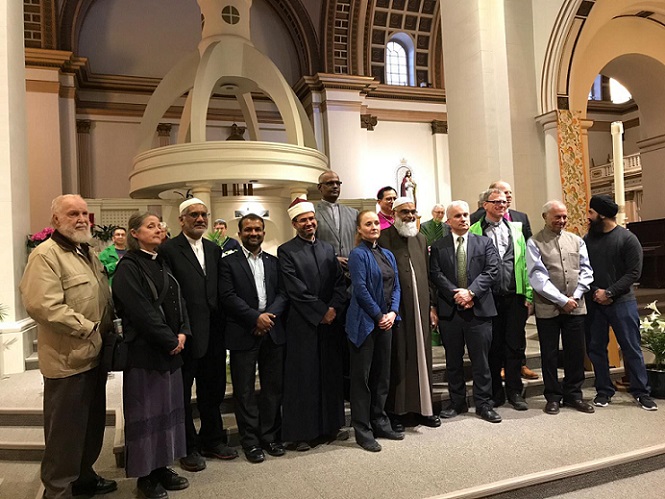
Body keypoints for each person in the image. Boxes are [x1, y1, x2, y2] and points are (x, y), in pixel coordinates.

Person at [20, 194, 116, 499]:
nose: (81, 219)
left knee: (91, 426)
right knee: (65, 434)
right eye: (72, 213)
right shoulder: (46, 255)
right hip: (67, 361)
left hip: (94, 356)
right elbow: (43, 305)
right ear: (55, 221)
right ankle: (58, 491)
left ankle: (84, 478)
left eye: (85, 213)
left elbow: (102, 297)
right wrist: (88, 329)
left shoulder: (87, 252)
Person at [113, 212, 191, 499]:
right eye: (150, 226)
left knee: (166, 412)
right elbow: (140, 309)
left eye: (159, 225)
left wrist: (183, 331)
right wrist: (169, 339)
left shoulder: (163, 262)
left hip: (171, 350)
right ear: (135, 233)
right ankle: (145, 476)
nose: (158, 229)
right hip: (145, 353)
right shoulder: (127, 267)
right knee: (145, 412)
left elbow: (178, 300)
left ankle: (161, 467)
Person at [160, 198, 238, 472]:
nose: (200, 219)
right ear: (181, 220)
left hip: (214, 333)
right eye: (193, 215)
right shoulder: (169, 249)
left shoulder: (213, 249)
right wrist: (177, 329)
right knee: (182, 395)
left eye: (204, 214)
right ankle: (187, 447)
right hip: (186, 334)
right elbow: (167, 294)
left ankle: (212, 440)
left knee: (213, 390)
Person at [278, 198, 347, 450]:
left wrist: (333, 309)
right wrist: (320, 311)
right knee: (304, 378)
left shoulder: (328, 249)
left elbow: (340, 283)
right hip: (303, 324)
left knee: (329, 374)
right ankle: (302, 433)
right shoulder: (286, 251)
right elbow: (295, 289)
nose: (309, 223)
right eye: (303, 220)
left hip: (329, 323)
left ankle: (330, 427)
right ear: (295, 223)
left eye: (311, 218)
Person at [219, 214, 289, 463]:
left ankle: (269, 436)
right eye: (248, 229)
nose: (253, 233)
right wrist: (254, 319)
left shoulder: (274, 261)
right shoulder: (228, 262)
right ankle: (250, 441)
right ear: (239, 233)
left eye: (258, 229)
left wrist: (267, 317)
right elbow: (227, 296)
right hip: (243, 331)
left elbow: (283, 293)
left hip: (272, 330)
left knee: (272, 388)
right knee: (245, 390)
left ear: (263, 232)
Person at [584, 194, 657, 411]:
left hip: (622, 301)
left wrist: (610, 292)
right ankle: (604, 390)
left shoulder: (627, 239)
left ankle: (641, 392)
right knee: (596, 348)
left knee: (631, 347)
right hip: (594, 300)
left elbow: (633, 273)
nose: (588, 216)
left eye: (591, 212)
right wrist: (595, 291)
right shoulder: (588, 240)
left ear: (602, 214)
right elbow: (583, 270)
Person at [430, 200, 501, 423]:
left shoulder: (484, 243)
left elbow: (492, 270)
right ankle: (457, 402)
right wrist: (456, 294)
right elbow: (436, 274)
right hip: (451, 312)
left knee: (481, 361)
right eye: (458, 216)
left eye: (466, 214)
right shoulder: (439, 246)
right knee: (453, 361)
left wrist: (470, 293)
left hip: (478, 310)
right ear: (448, 221)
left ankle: (484, 404)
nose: (464, 219)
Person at [526, 200, 595, 415]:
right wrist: (560, 299)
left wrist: (574, 296)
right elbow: (537, 275)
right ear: (545, 217)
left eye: (564, 217)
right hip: (548, 306)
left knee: (575, 352)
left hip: (575, 304)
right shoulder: (534, 242)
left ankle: (574, 395)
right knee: (549, 353)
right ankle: (553, 396)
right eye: (557, 217)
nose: (562, 221)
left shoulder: (576, 240)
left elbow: (586, 270)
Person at [377, 197, 440, 430]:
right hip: (397, 309)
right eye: (404, 212)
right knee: (399, 358)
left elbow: (429, 278)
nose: (410, 215)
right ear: (393, 214)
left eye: (413, 211)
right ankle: (397, 412)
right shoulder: (382, 239)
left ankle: (425, 409)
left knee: (423, 358)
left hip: (421, 308)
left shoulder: (421, 239)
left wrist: (432, 307)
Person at [470, 189, 533, 411]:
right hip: (488, 298)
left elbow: (525, 263)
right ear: (484, 205)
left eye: (504, 202)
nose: (501, 205)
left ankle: (515, 391)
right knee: (493, 347)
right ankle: (495, 392)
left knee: (514, 346)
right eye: (496, 201)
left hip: (514, 296)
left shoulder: (516, 230)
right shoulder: (474, 230)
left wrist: (528, 294)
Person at [346, 211, 402, 452]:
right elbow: (360, 289)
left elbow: (397, 285)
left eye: (376, 223)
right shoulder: (358, 254)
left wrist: (392, 313)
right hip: (364, 323)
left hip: (386, 321)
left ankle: (380, 420)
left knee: (383, 375)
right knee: (362, 379)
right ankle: (362, 428)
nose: (374, 226)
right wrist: (379, 316)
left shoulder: (387, 253)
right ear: (359, 229)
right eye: (368, 224)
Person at [315, 170, 359, 271]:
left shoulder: (353, 213)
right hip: (326, 270)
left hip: (352, 270)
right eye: (330, 183)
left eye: (338, 183)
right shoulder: (312, 214)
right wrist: (332, 259)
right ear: (319, 187)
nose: (335, 186)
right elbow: (308, 246)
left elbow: (361, 241)